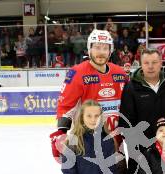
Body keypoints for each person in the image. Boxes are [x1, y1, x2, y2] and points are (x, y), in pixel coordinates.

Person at [50, 29, 127, 163]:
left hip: (115, 142)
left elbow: (129, 105)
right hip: (87, 142)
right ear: (89, 49)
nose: (101, 52)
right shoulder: (77, 73)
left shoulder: (120, 73)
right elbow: (66, 106)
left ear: (111, 51)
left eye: (105, 48)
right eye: (97, 47)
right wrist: (61, 133)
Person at [120, 47, 165, 144]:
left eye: (154, 62)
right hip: (142, 150)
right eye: (146, 63)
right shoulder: (131, 88)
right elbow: (125, 122)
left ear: (161, 63)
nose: (150, 66)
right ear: (141, 64)